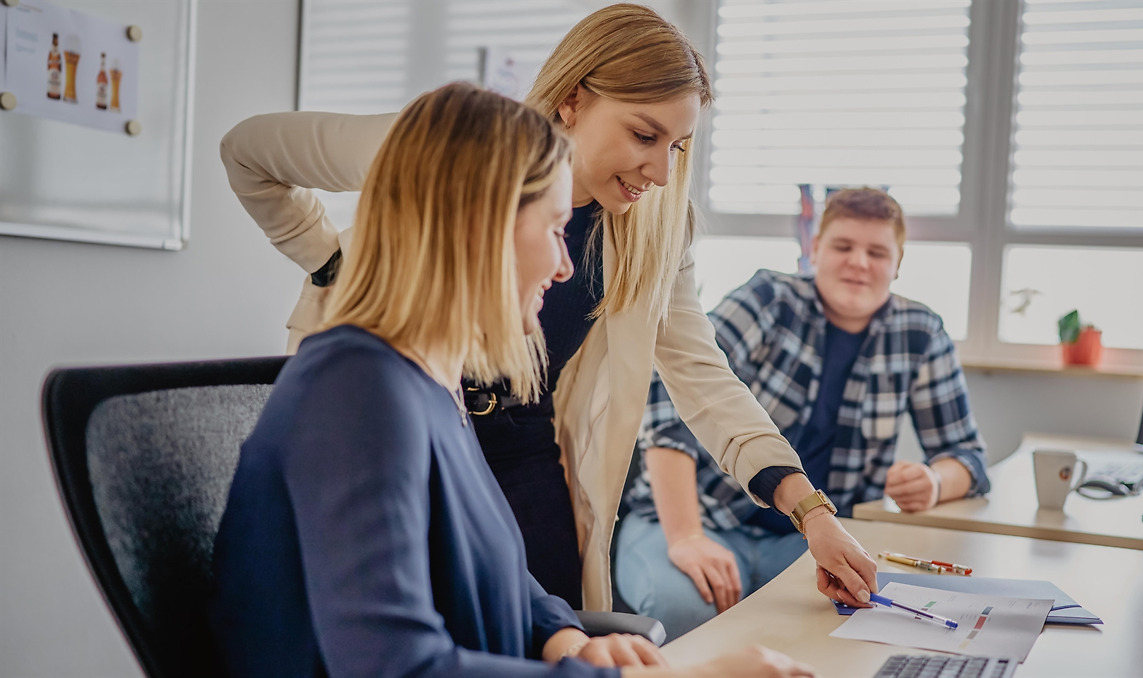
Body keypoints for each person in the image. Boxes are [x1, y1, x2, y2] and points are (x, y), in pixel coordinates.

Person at [220, 3, 876, 614]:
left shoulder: (655, 228)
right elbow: (250, 151)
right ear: (572, 100)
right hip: (401, 422)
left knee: (552, 622)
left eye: (677, 146)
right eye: (645, 135)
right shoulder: (456, 149)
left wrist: (811, 511)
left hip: (518, 440)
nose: (662, 173)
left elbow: (705, 380)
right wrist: (332, 264)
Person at [614, 188, 992, 638]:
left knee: (855, 617)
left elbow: (966, 457)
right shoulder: (768, 298)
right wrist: (686, 537)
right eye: (843, 246)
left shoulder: (921, 333)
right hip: (699, 518)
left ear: (898, 264)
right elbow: (667, 401)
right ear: (814, 249)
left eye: (877, 252)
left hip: (806, 542)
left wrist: (933, 481)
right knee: (682, 607)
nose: (859, 262)